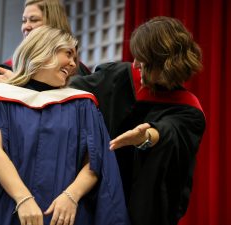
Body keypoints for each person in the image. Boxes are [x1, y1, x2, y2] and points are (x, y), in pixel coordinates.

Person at [0, 26, 130, 225]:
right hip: (11, 210)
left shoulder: (82, 104)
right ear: (44, 48)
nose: (73, 64)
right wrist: (23, 199)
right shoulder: (2, 98)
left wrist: (71, 196)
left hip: (65, 215)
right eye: (68, 53)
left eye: (75, 58)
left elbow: (95, 161)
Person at [69, 16, 206, 225]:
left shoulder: (188, 110)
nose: (135, 63)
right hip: (95, 199)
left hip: (140, 210)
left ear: (164, 61)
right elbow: (75, 88)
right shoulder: (121, 76)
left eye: (142, 59)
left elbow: (170, 131)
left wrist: (147, 136)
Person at [0, 0, 90, 90]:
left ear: (53, 24)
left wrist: (18, 86)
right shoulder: (8, 69)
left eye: (34, 20)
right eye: (24, 21)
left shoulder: (77, 70)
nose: (26, 26)